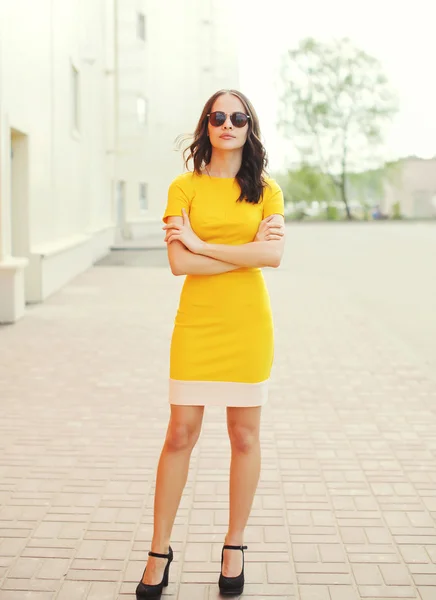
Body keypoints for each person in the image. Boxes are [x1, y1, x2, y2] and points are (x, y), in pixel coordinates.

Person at [136, 89, 286, 598]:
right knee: (180, 432)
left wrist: (202, 244)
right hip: (197, 323)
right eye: (218, 116)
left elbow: (274, 258)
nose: (227, 124)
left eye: (238, 117)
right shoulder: (183, 187)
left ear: (250, 127)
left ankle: (234, 544)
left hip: (248, 323)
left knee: (244, 436)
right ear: (206, 126)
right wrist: (243, 251)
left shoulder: (267, 190)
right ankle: (159, 548)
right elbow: (181, 265)